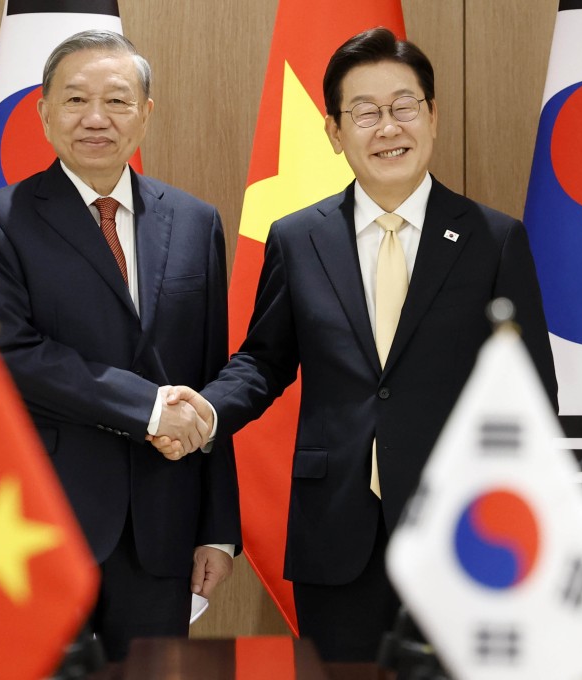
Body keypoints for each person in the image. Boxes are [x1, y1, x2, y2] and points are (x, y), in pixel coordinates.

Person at [155, 27, 558, 662]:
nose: (388, 127)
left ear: (433, 116)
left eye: (404, 106)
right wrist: (205, 413)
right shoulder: (299, 238)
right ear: (335, 132)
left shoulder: (493, 240)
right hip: (335, 529)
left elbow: (531, 395)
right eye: (365, 112)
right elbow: (263, 361)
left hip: (464, 535)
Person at [0, 30, 241, 663]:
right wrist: (148, 410)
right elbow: (12, 354)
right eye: (76, 99)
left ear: (145, 113)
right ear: (44, 112)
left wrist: (219, 529)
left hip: (164, 526)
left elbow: (210, 372)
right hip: (40, 521)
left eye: (116, 101)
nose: (95, 118)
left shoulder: (196, 222)